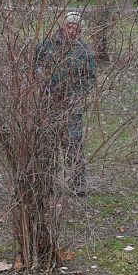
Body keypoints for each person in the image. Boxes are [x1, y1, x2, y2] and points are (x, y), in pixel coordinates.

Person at [35, 11, 96, 195]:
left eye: (76, 28)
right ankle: (46, 184)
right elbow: (34, 66)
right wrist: (42, 83)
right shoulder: (47, 45)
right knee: (47, 144)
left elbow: (90, 77)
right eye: (70, 26)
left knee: (73, 144)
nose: (72, 31)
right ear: (63, 26)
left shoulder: (83, 50)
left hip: (72, 105)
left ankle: (78, 185)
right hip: (49, 102)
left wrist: (78, 95)